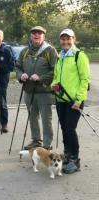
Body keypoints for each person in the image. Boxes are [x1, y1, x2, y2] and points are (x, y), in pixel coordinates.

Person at [52, 28, 90, 174]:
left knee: (69, 129)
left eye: (68, 39)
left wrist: (79, 99)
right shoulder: (60, 56)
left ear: (74, 39)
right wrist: (54, 86)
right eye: (63, 39)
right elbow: (56, 77)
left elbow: (84, 79)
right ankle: (67, 156)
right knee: (64, 129)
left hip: (74, 101)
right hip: (61, 100)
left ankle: (75, 160)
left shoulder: (79, 56)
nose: (65, 41)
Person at [16, 26, 58, 150]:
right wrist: (20, 75)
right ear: (31, 36)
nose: (36, 35)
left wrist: (40, 77)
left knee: (46, 119)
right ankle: (36, 140)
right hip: (28, 91)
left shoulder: (50, 51)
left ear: (43, 36)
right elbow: (17, 67)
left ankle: (47, 145)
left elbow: (56, 70)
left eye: (39, 33)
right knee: (32, 117)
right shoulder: (24, 51)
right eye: (34, 33)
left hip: (44, 92)